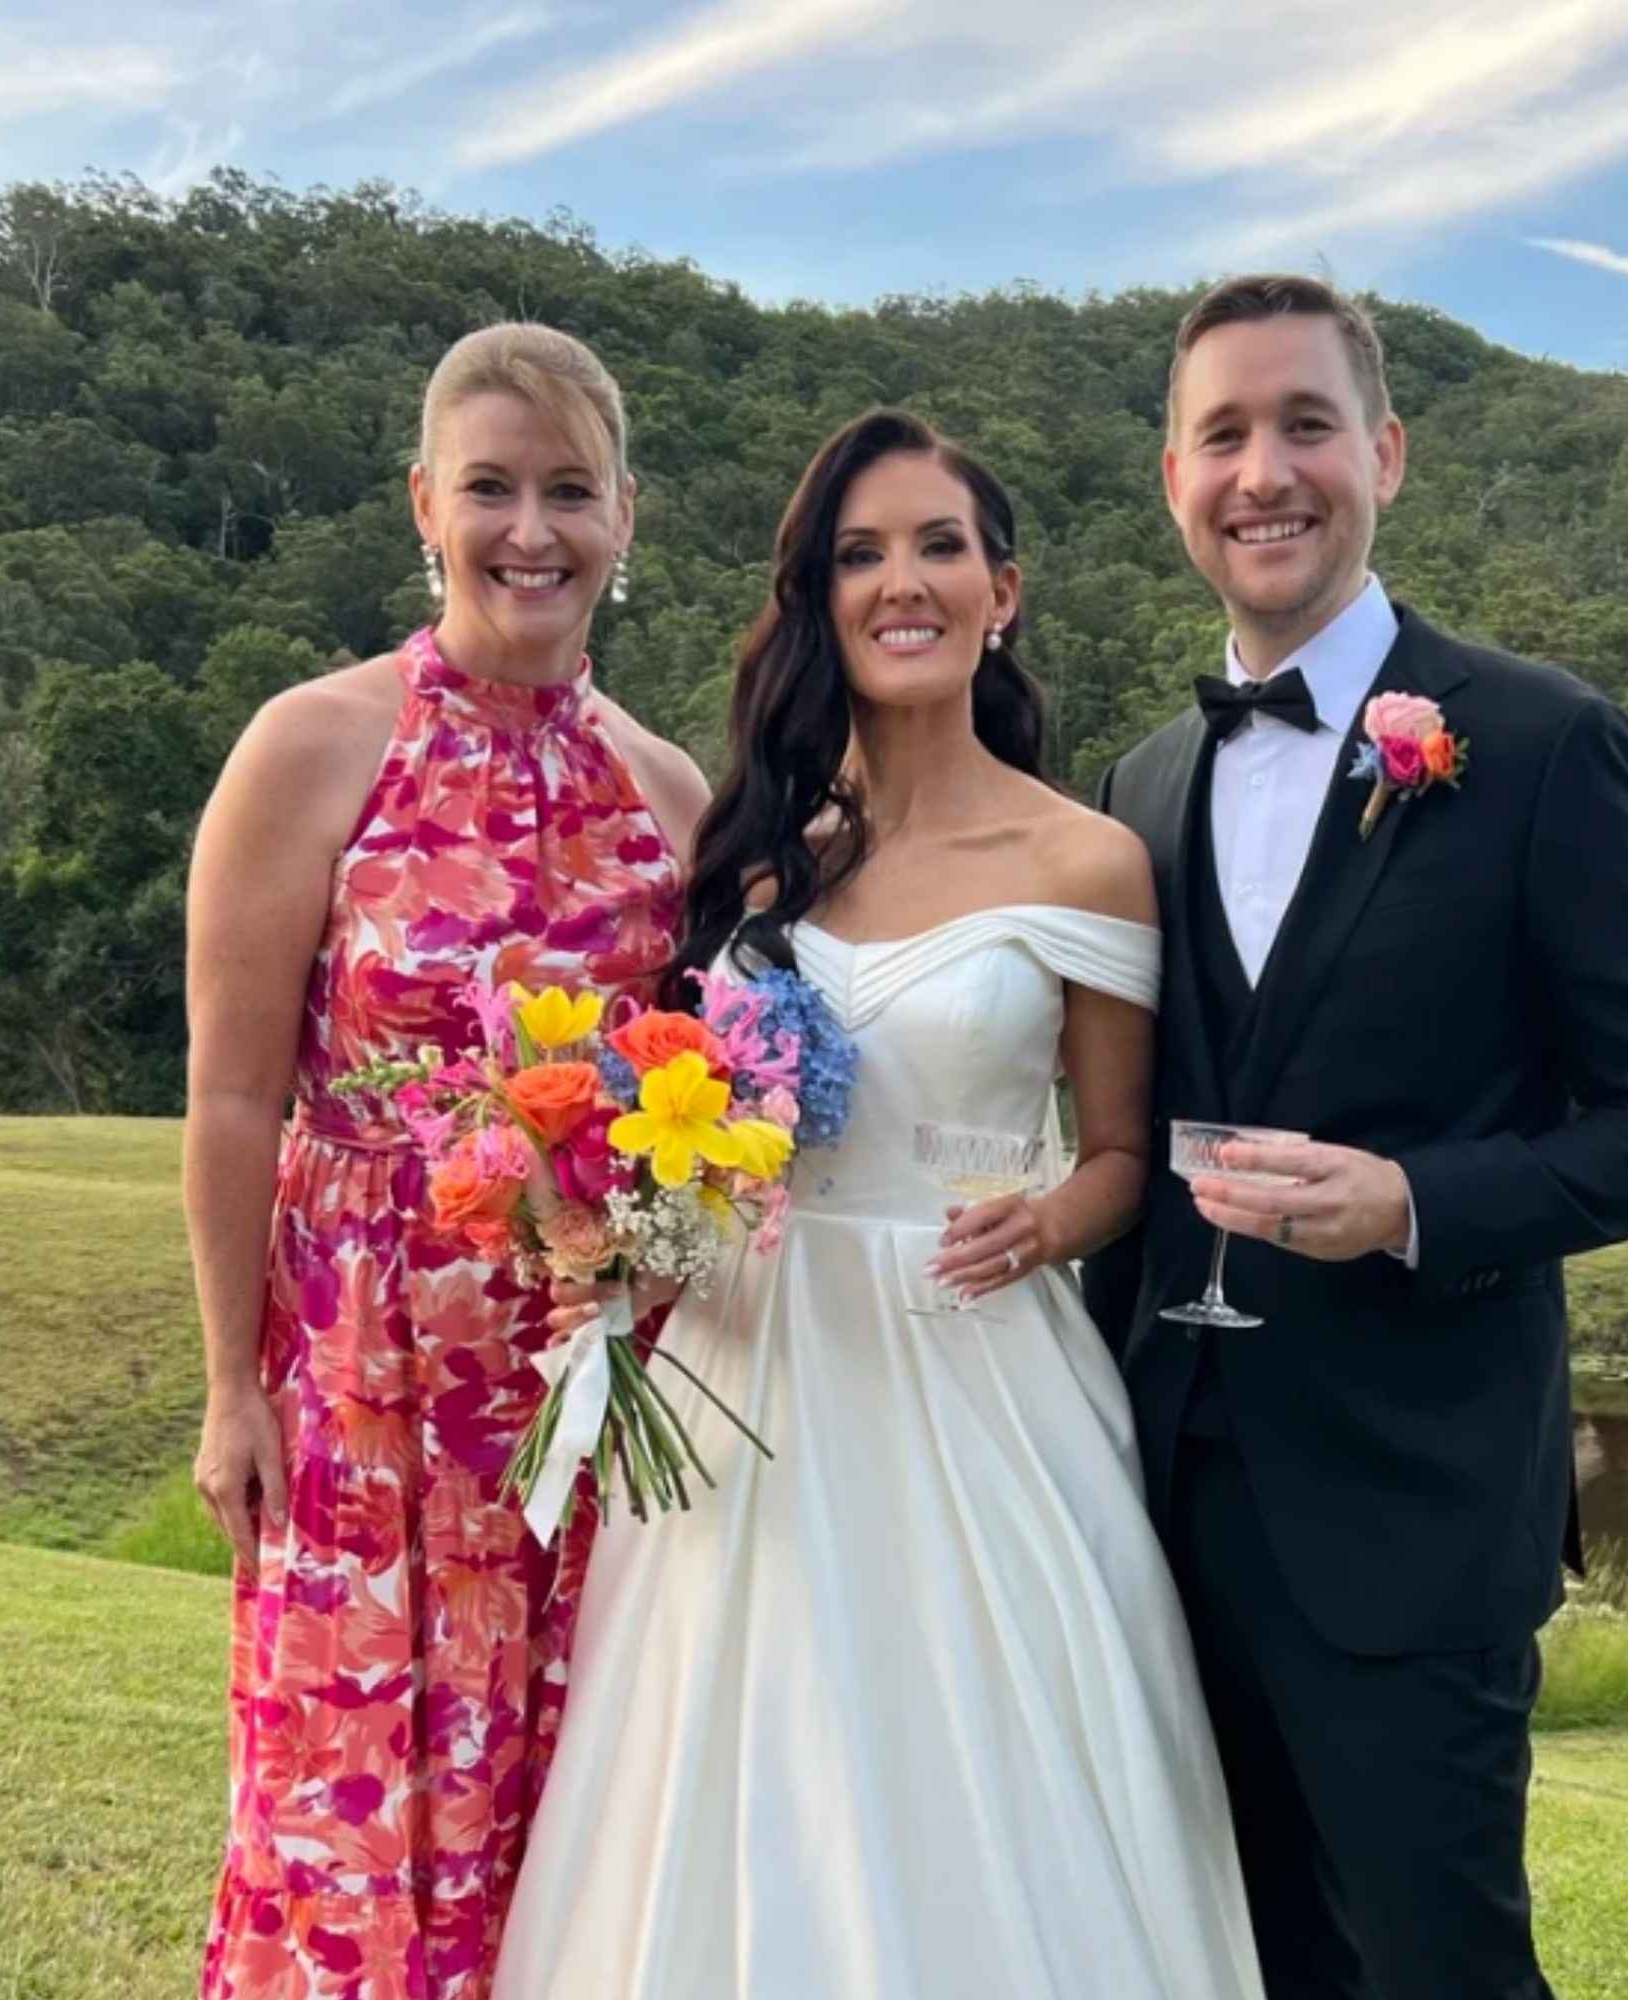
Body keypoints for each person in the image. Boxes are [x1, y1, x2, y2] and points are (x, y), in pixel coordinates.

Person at [491, 409, 1265, 2000]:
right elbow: (693, 1125)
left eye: (936, 547)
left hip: (970, 1364)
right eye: (859, 554)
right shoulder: (765, 854)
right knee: (739, 1778)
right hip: (743, 1372)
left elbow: (1123, 1153)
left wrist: (1049, 1218)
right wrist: (625, 1247)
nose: (898, 583)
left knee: (970, 1773)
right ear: (819, 597)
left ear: (1005, 591)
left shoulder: (1089, 858)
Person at [1085, 274, 1628, 2000]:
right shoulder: (1141, 784)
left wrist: (1410, 1205)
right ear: (1171, 477)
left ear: (1385, 452)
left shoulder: (1541, 744)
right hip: (1168, 1506)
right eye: (1224, 434)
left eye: (1306, 425)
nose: (1264, 472)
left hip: (1416, 1515)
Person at [186, 322, 709, 2000]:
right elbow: (230, 1101)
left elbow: (690, 1113)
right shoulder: (312, 745)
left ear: (628, 515)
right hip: (358, 1383)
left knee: (569, 1806)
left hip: (583, 1392)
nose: (531, 531)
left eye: (571, 490)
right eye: (493, 488)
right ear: (427, 504)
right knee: (351, 1804)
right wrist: (226, 1387)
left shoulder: (671, 794)